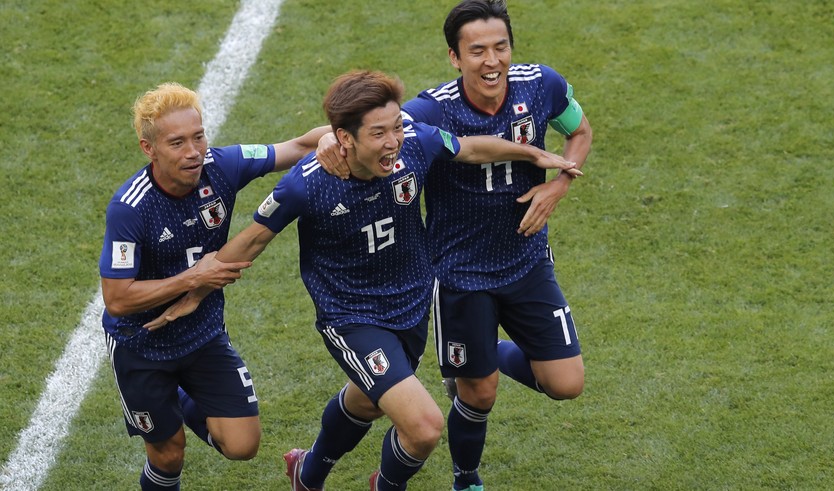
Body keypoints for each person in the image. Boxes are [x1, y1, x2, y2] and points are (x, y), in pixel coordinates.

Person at [144, 70, 579, 491]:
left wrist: (530, 154)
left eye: (396, 128)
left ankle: (308, 472)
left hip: (409, 307)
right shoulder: (306, 186)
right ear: (345, 139)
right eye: (378, 133)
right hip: (350, 316)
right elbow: (252, 240)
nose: (392, 142)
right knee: (424, 427)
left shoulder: (415, 145)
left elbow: (467, 148)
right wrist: (194, 291)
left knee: (366, 402)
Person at [316, 1, 592, 489]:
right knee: (479, 393)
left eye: (501, 47)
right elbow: (369, 127)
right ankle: (467, 478)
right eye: (478, 51)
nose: (492, 61)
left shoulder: (542, 84)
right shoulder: (434, 108)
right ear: (455, 57)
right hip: (459, 273)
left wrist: (558, 186)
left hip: (527, 261)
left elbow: (580, 131)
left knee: (566, 385)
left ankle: (490, 353)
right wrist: (324, 142)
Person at [98, 82, 330, 490]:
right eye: (177, 143)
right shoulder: (129, 208)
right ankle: (169, 408)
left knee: (242, 445)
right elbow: (117, 299)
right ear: (148, 148)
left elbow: (297, 145)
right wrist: (194, 278)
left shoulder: (222, 166)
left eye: (198, 136)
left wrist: (333, 138)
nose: (193, 152)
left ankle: (182, 400)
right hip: (141, 346)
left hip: (202, 335)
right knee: (169, 455)